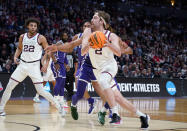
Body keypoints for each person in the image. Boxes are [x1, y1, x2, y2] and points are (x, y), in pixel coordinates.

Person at [81, 10, 150, 128]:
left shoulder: (111, 36)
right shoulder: (88, 32)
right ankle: (143, 116)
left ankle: (115, 115)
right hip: (97, 69)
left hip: (109, 66)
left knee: (103, 81)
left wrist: (108, 44)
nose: (92, 20)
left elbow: (118, 53)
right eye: (92, 18)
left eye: (95, 18)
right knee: (118, 98)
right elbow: (83, 52)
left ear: (101, 21)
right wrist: (90, 44)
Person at [0, 18, 63, 116]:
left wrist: (46, 65)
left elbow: (48, 52)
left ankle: (59, 106)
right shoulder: (22, 36)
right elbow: (19, 48)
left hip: (34, 66)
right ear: (27, 26)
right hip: (22, 65)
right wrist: (16, 57)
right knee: (9, 86)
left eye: (35, 26)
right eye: (31, 25)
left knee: (41, 91)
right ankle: (1, 109)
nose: (33, 27)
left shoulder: (41, 38)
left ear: (37, 27)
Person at [73, 21, 97, 115]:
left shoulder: (95, 36)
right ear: (82, 27)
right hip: (81, 64)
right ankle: (91, 101)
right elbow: (71, 46)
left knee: (99, 87)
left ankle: (110, 109)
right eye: (84, 26)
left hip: (92, 64)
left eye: (88, 26)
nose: (86, 27)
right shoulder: (77, 36)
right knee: (78, 85)